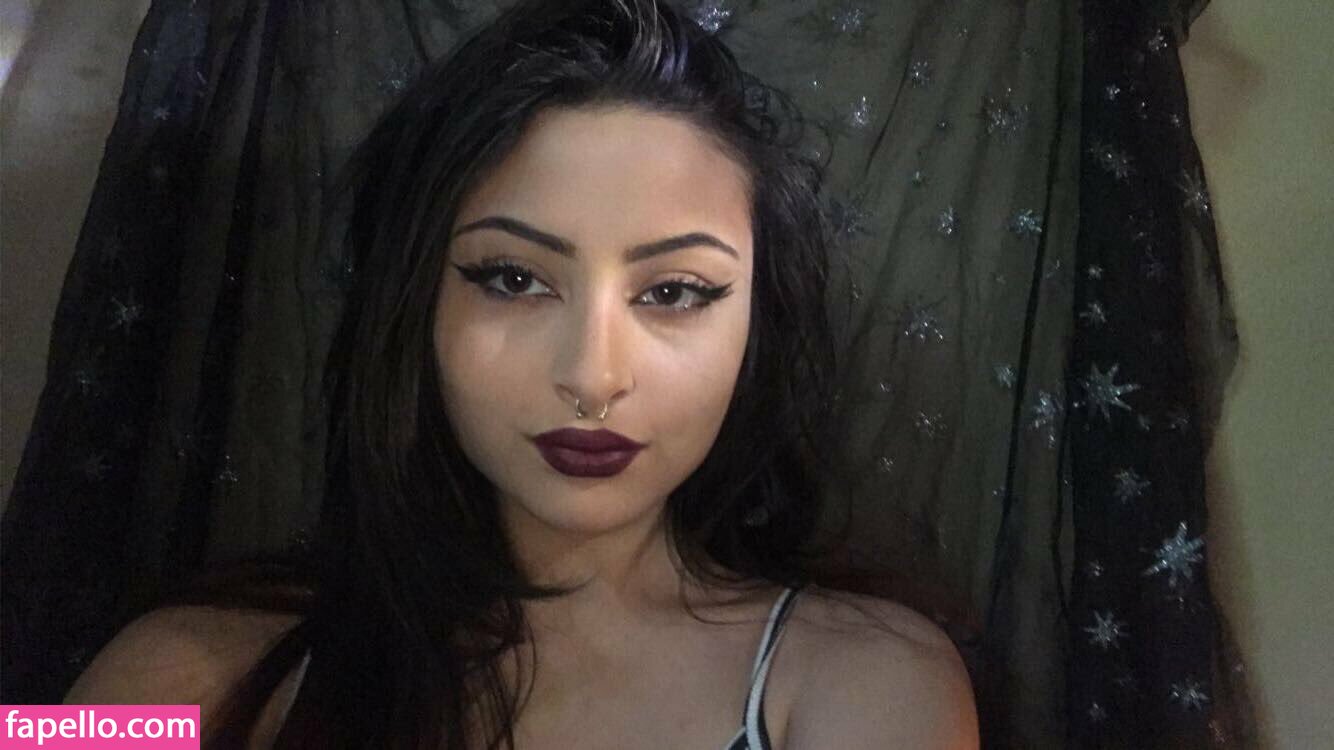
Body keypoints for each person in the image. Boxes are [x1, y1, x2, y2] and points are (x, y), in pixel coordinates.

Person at [63, 0, 979, 747]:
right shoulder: (171, 674)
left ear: (757, 327)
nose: (592, 376)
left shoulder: (873, 686)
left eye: (674, 292)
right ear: (415, 301)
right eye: (512, 279)